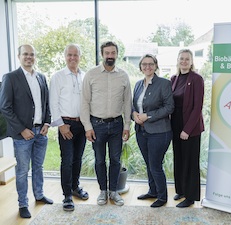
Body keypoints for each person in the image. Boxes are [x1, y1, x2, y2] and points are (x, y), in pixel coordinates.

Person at [0, 44, 53, 219]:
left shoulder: (41, 77)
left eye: (32, 54)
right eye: (25, 54)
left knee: (38, 166)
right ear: (19, 56)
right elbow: (5, 107)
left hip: (41, 132)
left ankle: (39, 195)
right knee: (22, 170)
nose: (29, 57)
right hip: (23, 135)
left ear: (35, 57)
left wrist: (47, 122)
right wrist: (22, 129)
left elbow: (46, 104)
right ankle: (23, 204)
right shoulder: (10, 77)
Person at [80, 41, 132, 206]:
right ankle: (103, 191)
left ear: (117, 54)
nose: (110, 56)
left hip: (117, 125)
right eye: (107, 53)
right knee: (100, 160)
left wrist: (127, 126)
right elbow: (84, 102)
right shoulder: (91, 74)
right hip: (97, 125)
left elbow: (127, 102)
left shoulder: (123, 75)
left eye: (113, 53)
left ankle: (114, 191)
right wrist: (87, 127)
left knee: (116, 160)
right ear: (102, 54)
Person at [49, 44, 88, 211]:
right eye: (69, 55)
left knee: (78, 158)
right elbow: (53, 102)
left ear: (80, 56)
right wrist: (60, 125)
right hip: (66, 123)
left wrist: (87, 124)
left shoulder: (84, 76)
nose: (72, 58)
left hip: (82, 123)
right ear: (65, 56)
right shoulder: (58, 77)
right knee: (67, 160)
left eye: (75, 55)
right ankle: (66, 196)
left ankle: (75, 186)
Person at [132, 54, 174, 207]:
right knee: (149, 163)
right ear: (141, 66)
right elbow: (134, 106)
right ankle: (153, 191)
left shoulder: (164, 83)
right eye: (144, 64)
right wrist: (134, 114)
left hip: (160, 131)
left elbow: (169, 107)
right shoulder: (137, 84)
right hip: (141, 131)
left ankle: (162, 197)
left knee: (155, 165)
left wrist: (147, 116)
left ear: (156, 66)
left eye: (150, 64)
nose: (147, 67)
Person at [170, 49, 205, 208]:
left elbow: (197, 107)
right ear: (177, 60)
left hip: (190, 127)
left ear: (191, 62)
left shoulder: (196, 79)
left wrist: (187, 130)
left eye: (187, 59)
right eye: (181, 58)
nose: (184, 61)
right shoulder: (174, 78)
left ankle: (191, 196)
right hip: (175, 124)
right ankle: (182, 190)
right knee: (179, 158)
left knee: (190, 161)